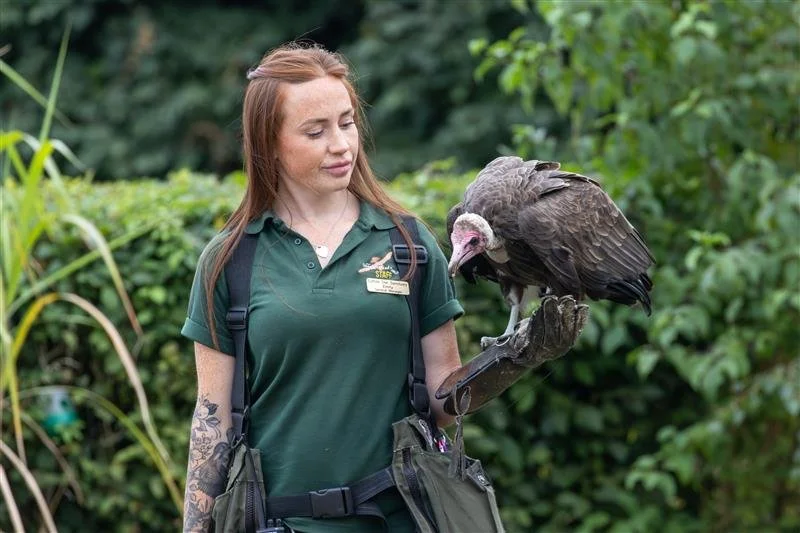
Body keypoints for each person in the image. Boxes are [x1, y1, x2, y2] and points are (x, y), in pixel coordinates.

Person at [180, 42, 464, 532]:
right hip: (279, 524)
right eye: (316, 131)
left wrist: (515, 359)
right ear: (269, 143)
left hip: (398, 521)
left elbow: (447, 403)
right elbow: (213, 424)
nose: (341, 144)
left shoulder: (409, 245)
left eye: (347, 122)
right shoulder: (231, 260)